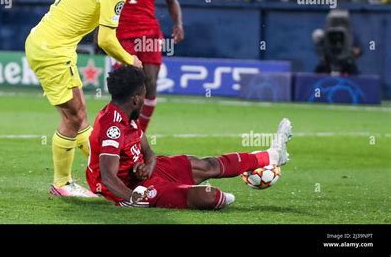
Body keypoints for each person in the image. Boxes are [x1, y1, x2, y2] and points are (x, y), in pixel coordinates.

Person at [25, 0, 156, 198]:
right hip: (52, 49)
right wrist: (132, 60)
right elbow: (106, 40)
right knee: (74, 117)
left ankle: (100, 171)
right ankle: (62, 183)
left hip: (49, 42)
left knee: (79, 114)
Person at [86, 66, 293, 209]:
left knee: (207, 164)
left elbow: (148, 151)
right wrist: (132, 197)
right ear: (135, 99)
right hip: (128, 189)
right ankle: (179, 194)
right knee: (210, 196)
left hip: (142, 174)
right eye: (144, 94)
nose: (145, 99)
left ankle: (273, 155)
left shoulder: (128, 115)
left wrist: (148, 166)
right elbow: (107, 177)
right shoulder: (112, 127)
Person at [115, 0, 184, 132]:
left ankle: (138, 134)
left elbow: (171, 0)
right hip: (122, 35)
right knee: (128, 85)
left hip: (149, 35)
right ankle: (119, 129)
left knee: (150, 83)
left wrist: (178, 24)